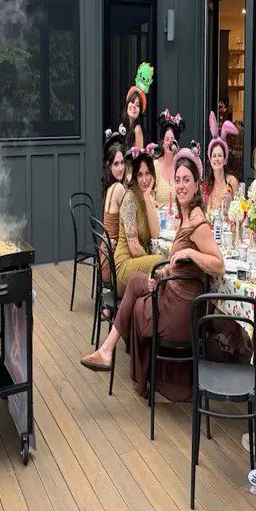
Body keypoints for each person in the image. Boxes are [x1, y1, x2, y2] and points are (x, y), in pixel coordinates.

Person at [81, 143, 225, 402]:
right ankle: (107, 349)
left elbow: (219, 264)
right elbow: (175, 262)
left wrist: (189, 255)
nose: (180, 185)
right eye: (177, 179)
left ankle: (108, 349)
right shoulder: (183, 214)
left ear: (196, 185)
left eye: (186, 180)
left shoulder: (197, 220)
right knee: (140, 282)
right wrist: (164, 272)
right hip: (170, 290)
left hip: (182, 311)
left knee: (139, 295)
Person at [112, 146, 165, 294]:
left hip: (137, 264)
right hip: (124, 267)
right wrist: (152, 263)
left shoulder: (145, 197)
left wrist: (148, 197)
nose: (144, 180)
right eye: (140, 175)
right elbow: (134, 248)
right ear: (135, 176)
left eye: (148, 173)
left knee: (163, 264)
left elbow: (155, 234)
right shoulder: (130, 198)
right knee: (161, 261)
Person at [100, 129, 127, 283]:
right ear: (109, 166)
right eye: (116, 164)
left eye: (122, 163)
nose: (120, 168)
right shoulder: (119, 189)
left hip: (103, 256)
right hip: (111, 265)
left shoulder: (110, 188)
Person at [203, 110, 239, 213]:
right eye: (214, 156)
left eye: (220, 155)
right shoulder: (207, 186)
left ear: (225, 159)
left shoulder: (232, 182)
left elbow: (238, 214)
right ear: (210, 160)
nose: (217, 159)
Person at [120, 63, 154, 151]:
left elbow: (139, 160)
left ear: (140, 111)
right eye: (132, 102)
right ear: (127, 104)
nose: (134, 106)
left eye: (138, 105)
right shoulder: (124, 127)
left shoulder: (137, 130)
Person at [155, 109, 184, 206]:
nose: (169, 142)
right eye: (167, 139)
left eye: (172, 139)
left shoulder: (181, 166)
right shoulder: (155, 165)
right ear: (162, 142)